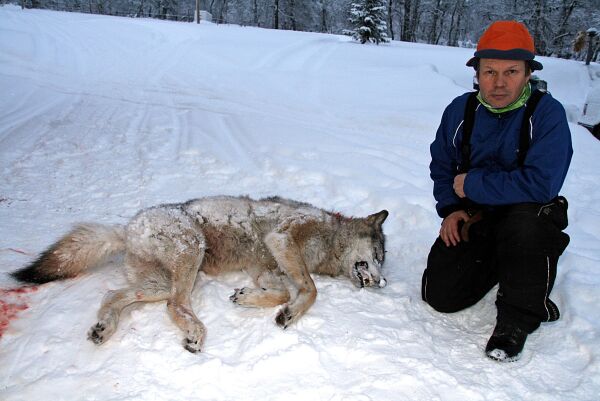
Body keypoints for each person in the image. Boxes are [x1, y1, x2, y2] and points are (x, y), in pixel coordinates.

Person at [422, 20, 573, 362]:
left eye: (511, 72)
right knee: (440, 296)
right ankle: (509, 265)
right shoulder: (460, 110)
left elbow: (540, 184)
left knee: (525, 226)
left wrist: (472, 184)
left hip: (526, 215)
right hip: (476, 214)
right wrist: (451, 208)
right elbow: (442, 164)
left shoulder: (546, 114)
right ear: (476, 72)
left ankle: (519, 315)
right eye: (490, 71)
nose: (499, 83)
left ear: (528, 74)